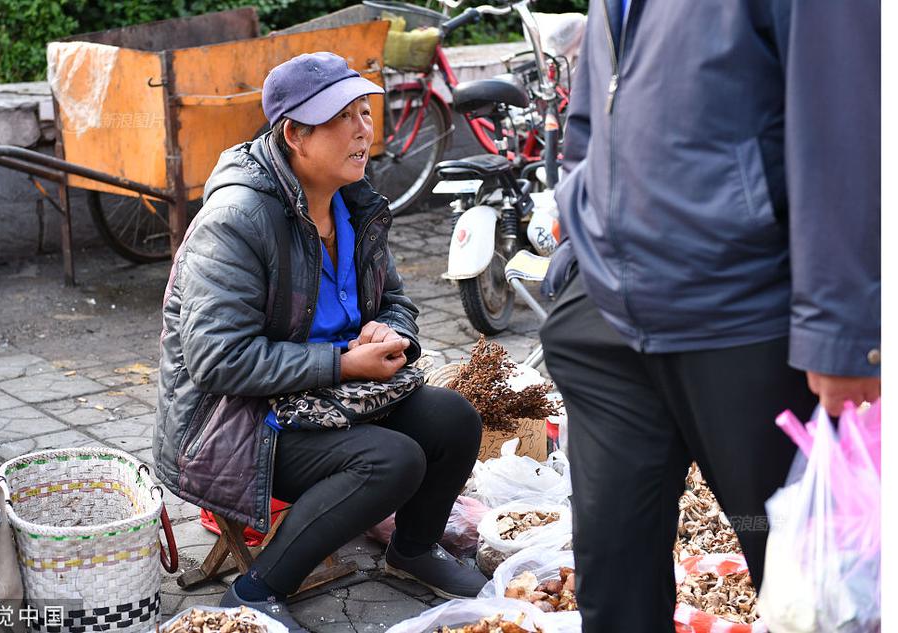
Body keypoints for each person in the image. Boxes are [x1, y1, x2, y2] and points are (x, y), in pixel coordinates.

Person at [541, 1, 881, 631]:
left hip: (745, 318)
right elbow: (592, 106)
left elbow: (849, 120)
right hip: (606, 323)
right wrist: (577, 240)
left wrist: (845, 330)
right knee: (611, 575)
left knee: (810, 584)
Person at [152, 52, 487, 630]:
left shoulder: (354, 203)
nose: (364, 129)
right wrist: (342, 364)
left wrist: (393, 332)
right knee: (391, 460)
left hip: (330, 398)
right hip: (237, 422)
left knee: (454, 418)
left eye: (365, 112)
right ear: (295, 136)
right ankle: (255, 589)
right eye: (343, 118)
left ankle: (414, 549)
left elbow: (398, 301)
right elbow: (216, 359)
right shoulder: (237, 220)